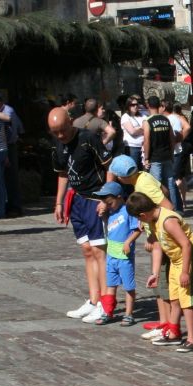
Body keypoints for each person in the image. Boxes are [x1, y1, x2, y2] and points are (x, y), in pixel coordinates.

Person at [48, 107, 113, 322]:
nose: (60, 136)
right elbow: (63, 174)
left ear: (71, 122)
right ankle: (93, 300)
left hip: (94, 199)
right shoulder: (58, 145)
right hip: (75, 199)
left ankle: (106, 302)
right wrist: (58, 202)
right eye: (54, 132)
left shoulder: (88, 139)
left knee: (98, 250)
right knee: (86, 250)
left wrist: (107, 197)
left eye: (63, 130)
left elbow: (108, 166)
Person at [126, 192, 193, 353]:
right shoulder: (154, 221)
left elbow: (186, 245)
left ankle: (192, 339)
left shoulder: (168, 221)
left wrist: (185, 272)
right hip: (176, 261)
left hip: (189, 261)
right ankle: (174, 333)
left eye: (139, 219)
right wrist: (154, 274)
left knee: (186, 300)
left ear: (143, 214)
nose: (140, 223)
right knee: (174, 298)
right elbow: (157, 247)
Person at [107, 155, 174, 339]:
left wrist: (153, 234)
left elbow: (167, 206)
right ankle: (163, 321)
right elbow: (165, 190)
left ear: (122, 177)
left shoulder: (142, 185)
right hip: (157, 235)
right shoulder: (144, 176)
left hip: (162, 238)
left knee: (161, 282)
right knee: (158, 283)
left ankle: (168, 325)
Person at [91, 181, 141, 326]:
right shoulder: (110, 212)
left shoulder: (128, 211)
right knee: (111, 285)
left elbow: (137, 229)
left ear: (119, 197)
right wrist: (104, 216)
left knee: (128, 286)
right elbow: (109, 229)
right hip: (111, 255)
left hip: (124, 256)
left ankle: (129, 314)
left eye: (110, 202)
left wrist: (128, 242)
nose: (107, 204)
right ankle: (108, 311)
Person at [0, 91, 25, 217]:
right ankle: (6, 206)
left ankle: (14, 207)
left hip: (9, 145)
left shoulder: (7, 111)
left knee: (11, 177)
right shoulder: (1, 111)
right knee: (2, 178)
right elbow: (20, 127)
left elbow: (11, 131)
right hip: (2, 145)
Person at [143, 96, 176, 208]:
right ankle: (174, 208)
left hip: (155, 158)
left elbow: (146, 141)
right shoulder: (166, 120)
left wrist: (146, 157)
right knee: (170, 184)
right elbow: (172, 139)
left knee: (156, 185)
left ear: (148, 106)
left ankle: (160, 208)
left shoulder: (147, 121)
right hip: (167, 156)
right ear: (159, 106)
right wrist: (171, 154)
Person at [162, 100, 189, 214]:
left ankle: (178, 206)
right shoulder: (169, 118)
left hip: (175, 152)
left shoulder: (173, 118)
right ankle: (180, 204)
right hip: (172, 153)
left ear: (163, 107)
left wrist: (175, 142)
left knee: (174, 180)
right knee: (176, 179)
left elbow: (181, 131)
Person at [121, 96, 145, 171]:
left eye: (137, 104)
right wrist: (143, 129)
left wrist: (139, 129)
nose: (135, 106)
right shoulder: (125, 117)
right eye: (132, 105)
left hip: (143, 147)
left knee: (143, 171)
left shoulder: (142, 115)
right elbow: (132, 132)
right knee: (134, 170)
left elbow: (149, 128)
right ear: (128, 106)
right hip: (132, 147)